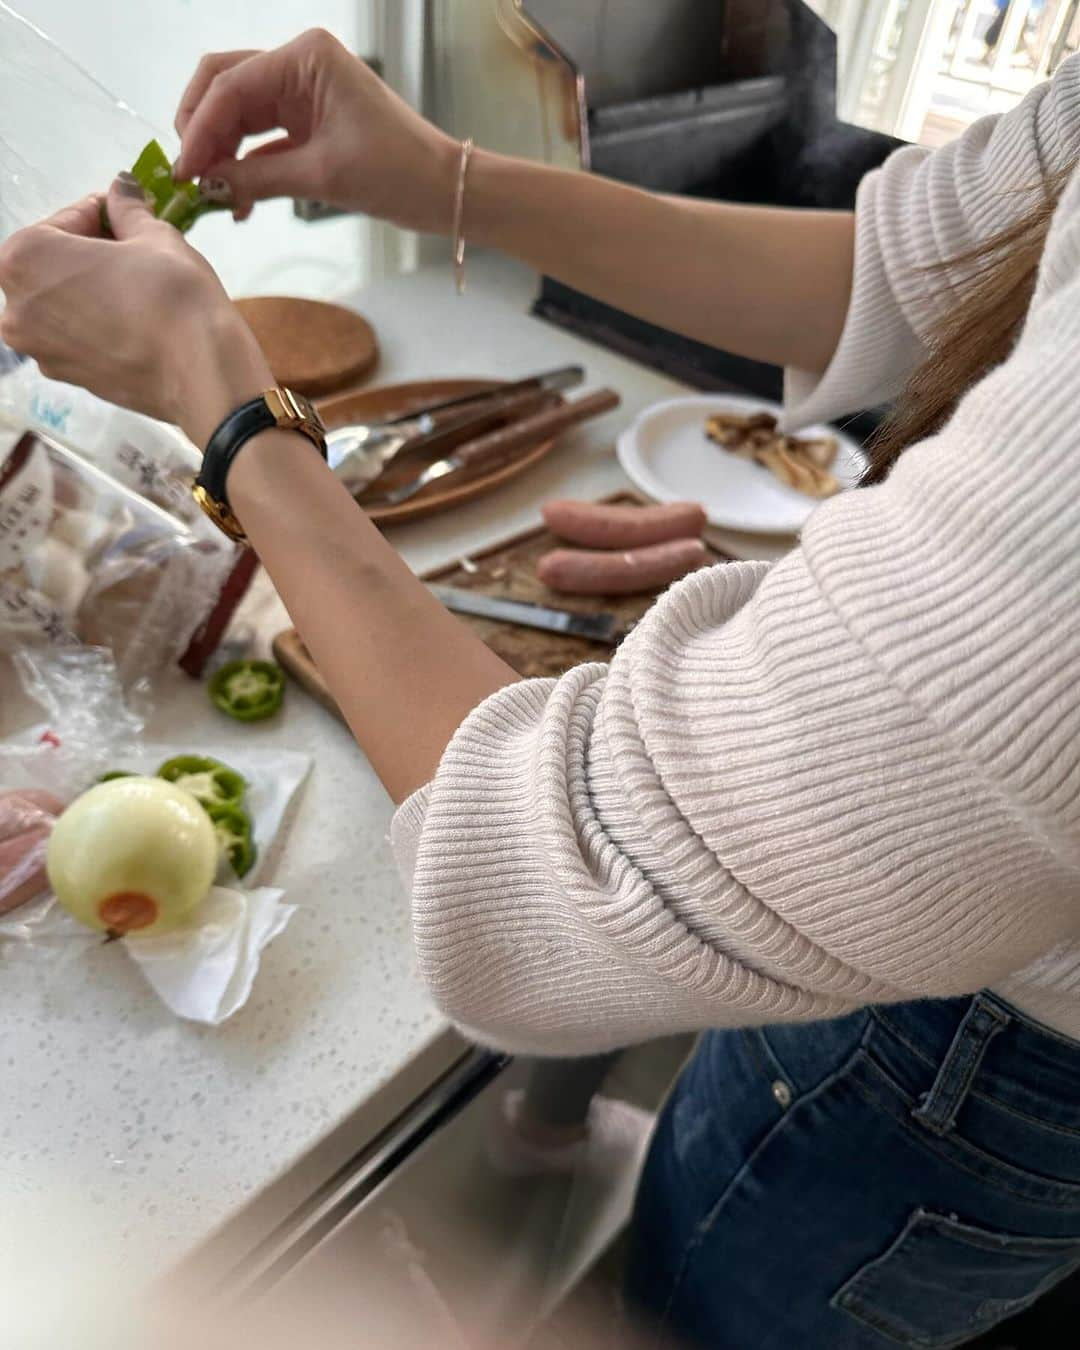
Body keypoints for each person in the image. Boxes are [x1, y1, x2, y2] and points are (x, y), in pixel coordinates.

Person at [2, 27, 1080, 1349]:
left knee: (716, 1294)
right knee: (706, 1155)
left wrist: (219, 402)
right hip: (931, 967)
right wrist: (437, 175)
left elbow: (553, 880)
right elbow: (917, 269)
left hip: (975, 1074)